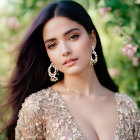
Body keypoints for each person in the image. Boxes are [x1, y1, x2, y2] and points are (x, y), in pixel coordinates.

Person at [1, 0, 140, 139]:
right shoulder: (38, 107)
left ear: (92, 39)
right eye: (52, 45)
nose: (65, 51)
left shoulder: (128, 107)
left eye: (73, 37)